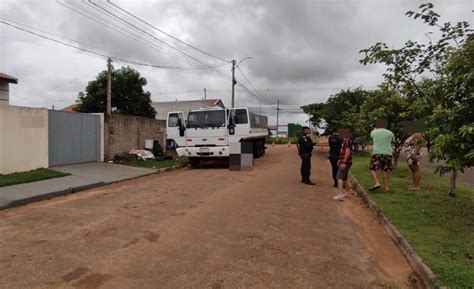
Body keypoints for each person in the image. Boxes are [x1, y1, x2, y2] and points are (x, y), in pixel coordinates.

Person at [369, 122, 395, 191]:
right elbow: (393, 141)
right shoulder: (390, 133)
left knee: (372, 168)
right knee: (385, 170)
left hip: (377, 152)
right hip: (388, 153)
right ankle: (386, 187)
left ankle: (377, 182)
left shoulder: (373, 132)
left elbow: (371, 136)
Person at [333, 136, 353, 201]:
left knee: (339, 177)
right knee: (344, 178)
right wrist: (340, 159)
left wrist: (344, 162)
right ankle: (348, 192)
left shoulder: (346, 140)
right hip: (345, 161)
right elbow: (343, 151)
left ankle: (340, 194)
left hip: (346, 162)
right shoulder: (345, 140)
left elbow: (347, 152)